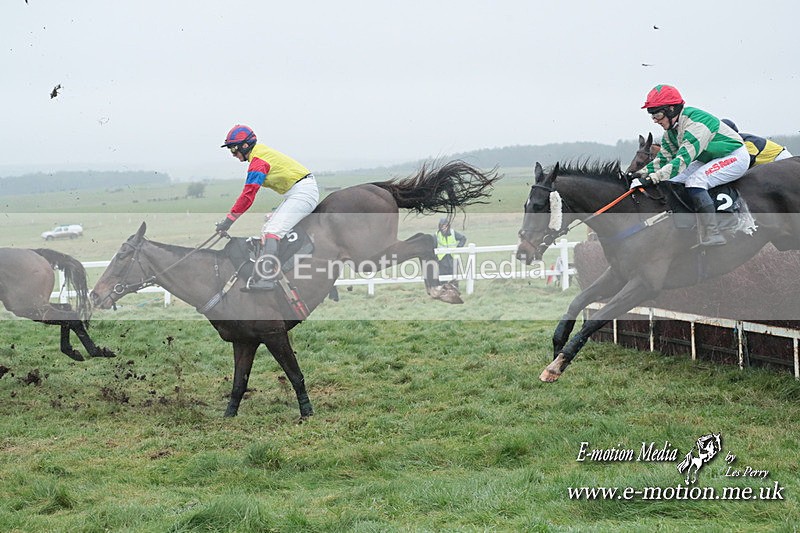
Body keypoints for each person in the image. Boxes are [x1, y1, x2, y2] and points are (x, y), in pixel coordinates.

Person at [629, 85, 750, 246]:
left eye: (657, 114)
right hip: (709, 158)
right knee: (673, 180)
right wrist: (640, 174)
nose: (655, 120)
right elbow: (663, 159)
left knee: (695, 181)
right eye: (652, 116)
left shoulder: (696, 125)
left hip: (734, 156)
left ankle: (713, 233)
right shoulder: (671, 131)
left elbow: (682, 160)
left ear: (671, 109)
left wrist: (652, 178)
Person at [215, 125, 319, 291]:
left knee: (273, 231)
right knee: (267, 230)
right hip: (298, 191)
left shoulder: (258, 163)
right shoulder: (259, 155)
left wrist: (228, 221)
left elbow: (248, 196)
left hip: (303, 191)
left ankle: (267, 279)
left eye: (233, 149)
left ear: (245, 145)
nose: (233, 154)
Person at [720, 119, 793, 167]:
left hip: (780, 158)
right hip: (769, 164)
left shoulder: (747, 142)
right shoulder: (737, 142)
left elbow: (746, 161)